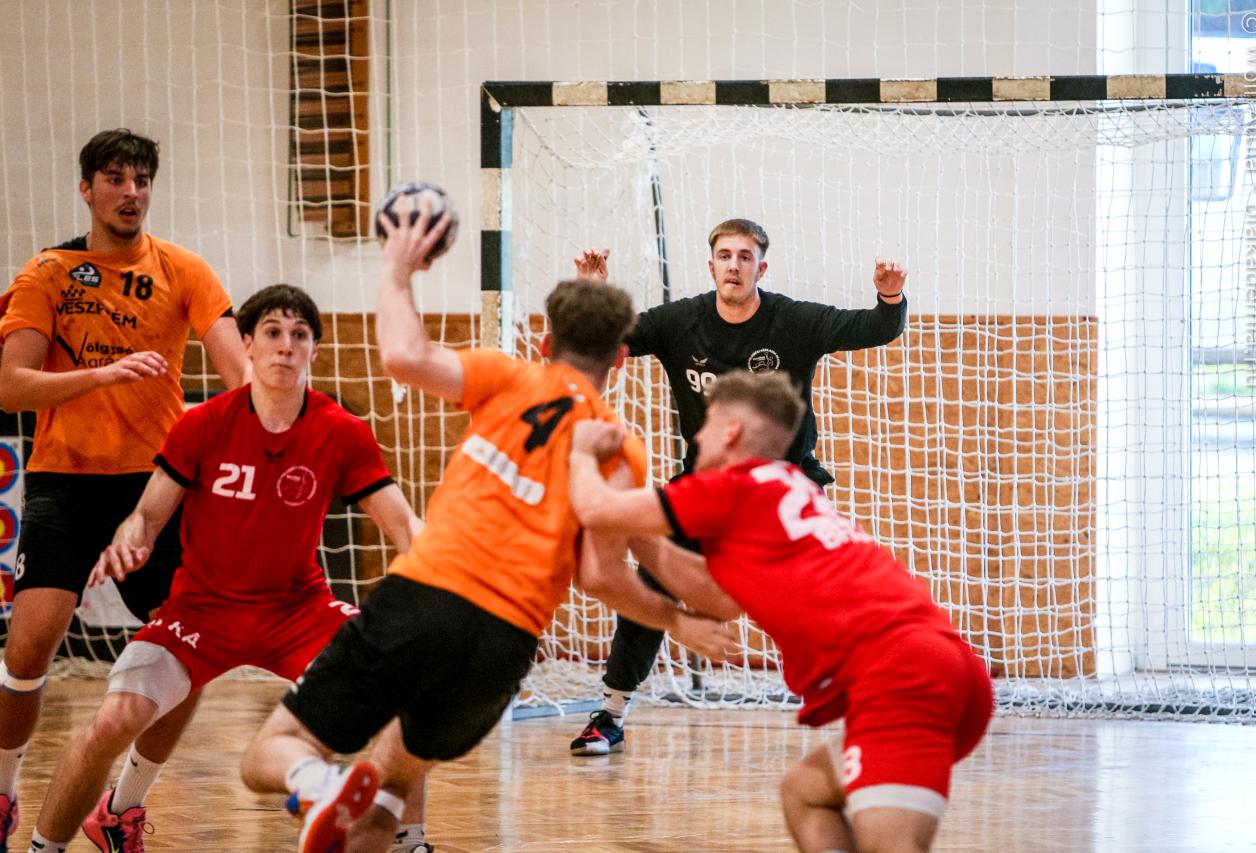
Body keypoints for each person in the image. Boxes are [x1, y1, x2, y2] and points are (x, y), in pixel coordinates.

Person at [238, 201, 738, 853]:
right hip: (504, 646)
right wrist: (680, 618)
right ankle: (360, 802)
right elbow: (600, 575)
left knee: (273, 750)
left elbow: (404, 356)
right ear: (621, 357)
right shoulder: (621, 449)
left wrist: (397, 269)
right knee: (390, 789)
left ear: (544, 343)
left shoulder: (510, 376)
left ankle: (318, 781)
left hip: (425, 598)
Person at [21, 284, 431, 853]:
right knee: (114, 720)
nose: (285, 346)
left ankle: (410, 842)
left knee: (398, 697)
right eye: (272, 333)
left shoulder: (341, 431)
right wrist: (128, 542)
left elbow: (404, 523)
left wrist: (445, 579)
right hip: (201, 612)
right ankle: (51, 843)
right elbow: (147, 516)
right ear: (247, 345)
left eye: (299, 335)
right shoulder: (204, 424)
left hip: (297, 611)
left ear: (314, 349)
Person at [567, 370, 993, 853]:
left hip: (900, 676)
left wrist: (579, 450)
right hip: (949, 668)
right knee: (805, 793)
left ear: (730, 432)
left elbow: (596, 509)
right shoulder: (788, 487)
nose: (697, 438)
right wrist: (640, 542)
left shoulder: (731, 488)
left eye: (706, 425)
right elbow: (720, 598)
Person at [567, 220, 908, 755]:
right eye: (725, 256)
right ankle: (610, 714)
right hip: (705, 487)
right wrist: (592, 295)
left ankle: (870, 704)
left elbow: (874, 328)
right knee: (651, 586)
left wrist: (889, 298)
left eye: (745, 257)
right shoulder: (680, 320)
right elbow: (608, 342)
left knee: (820, 599)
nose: (733, 265)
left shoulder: (793, 320)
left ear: (760, 268)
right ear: (711, 266)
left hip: (781, 489)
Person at [0, 128, 246, 852]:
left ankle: (122, 805)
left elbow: (238, 376)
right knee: (29, 649)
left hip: (156, 490)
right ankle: (4, 791)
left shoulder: (184, 268)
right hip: (66, 481)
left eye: (141, 180)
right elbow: (11, 384)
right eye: (115, 178)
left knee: (191, 652)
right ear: (87, 189)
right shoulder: (48, 273)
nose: (131, 192)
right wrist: (101, 375)